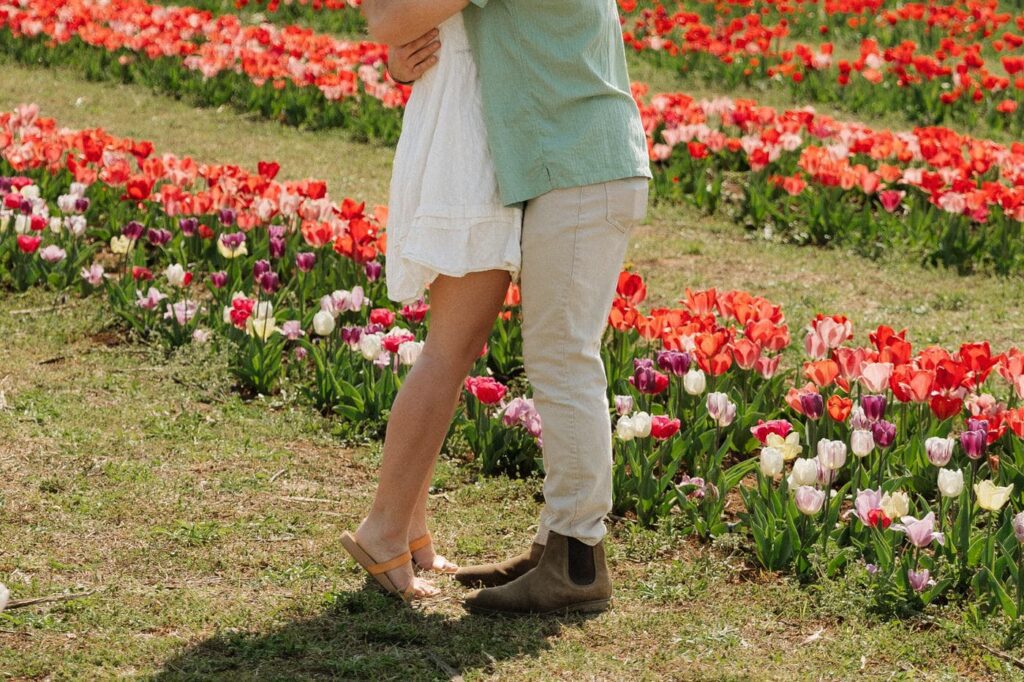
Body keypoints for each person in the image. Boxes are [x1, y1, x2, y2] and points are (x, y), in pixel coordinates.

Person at [340, 0, 522, 602]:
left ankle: (410, 527)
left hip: (464, 118)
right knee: (449, 349)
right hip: (467, 138)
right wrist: (396, 42)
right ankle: (384, 526)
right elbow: (384, 16)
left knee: (455, 347)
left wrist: (400, 49)